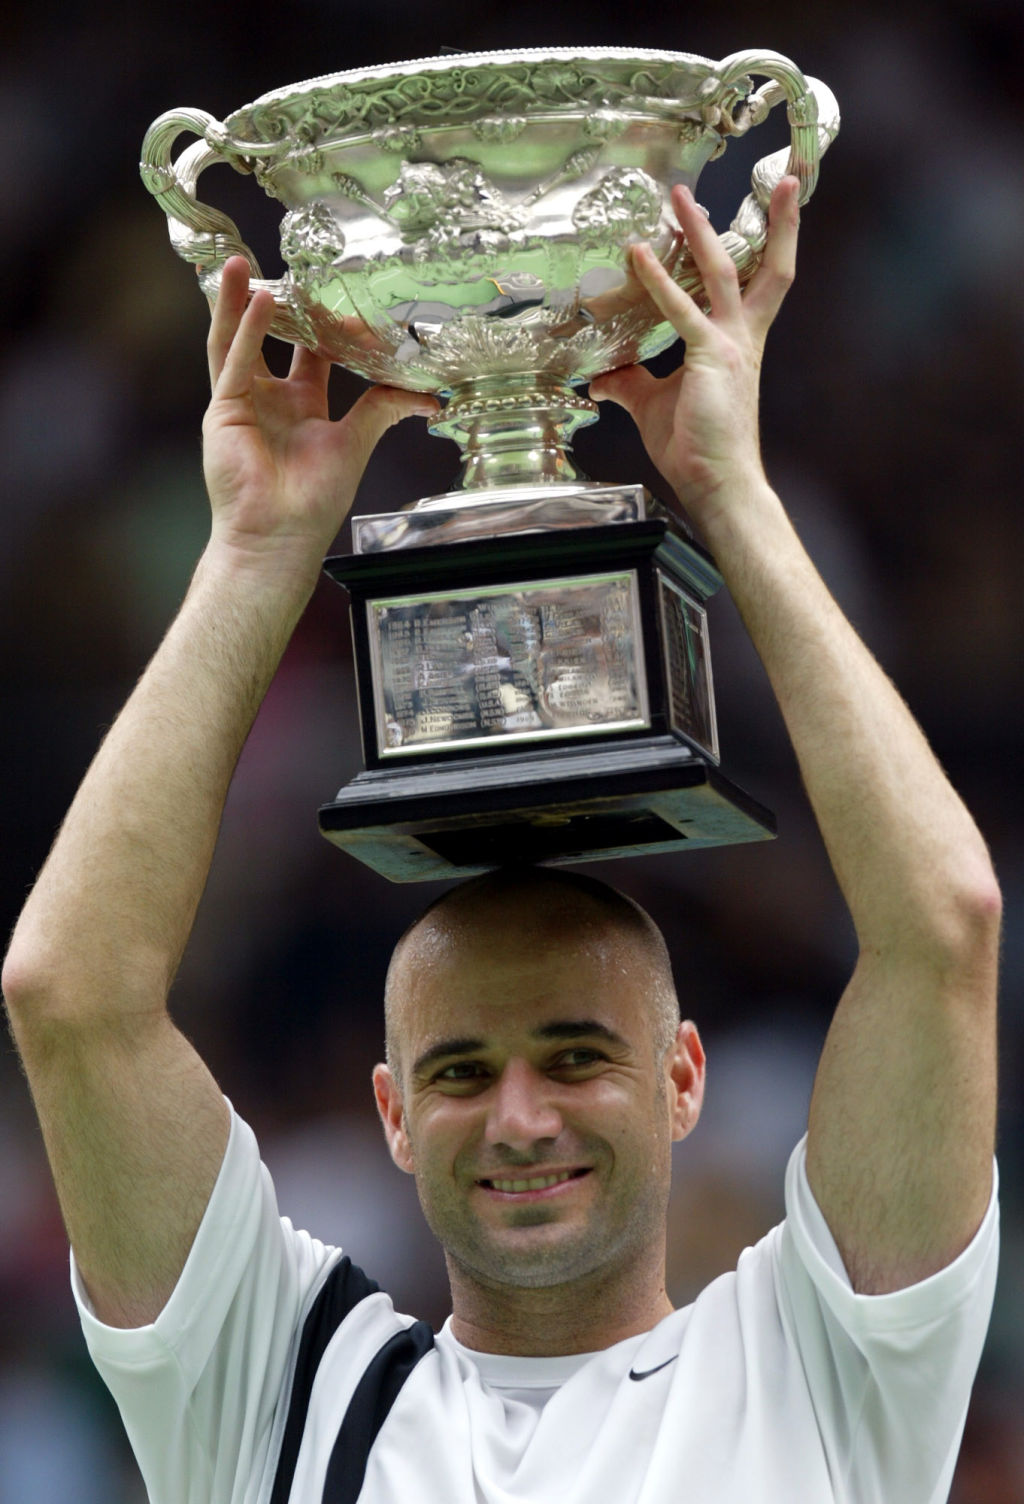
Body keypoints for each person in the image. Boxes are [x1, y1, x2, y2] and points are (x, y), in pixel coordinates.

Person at [2, 177, 1001, 1504]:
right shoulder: (273, 1383)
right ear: (393, 1114)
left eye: (578, 1055)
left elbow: (942, 933)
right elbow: (70, 997)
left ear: (683, 1077)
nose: (520, 1117)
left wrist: (730, 490)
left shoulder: (823, 1359)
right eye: (462, 1072)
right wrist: (255, 548)